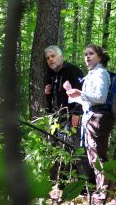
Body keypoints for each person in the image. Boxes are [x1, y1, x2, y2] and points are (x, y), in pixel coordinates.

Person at [66, 44, 113, 199]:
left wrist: (81, 93)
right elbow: (89, 100)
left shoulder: (100, 73)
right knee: (93, 156)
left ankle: (103, 192)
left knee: (98, 156)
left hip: (98, 118)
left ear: (99, 56)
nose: (87, 56)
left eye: (91, 53)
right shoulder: (92, 73)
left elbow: (100, 97)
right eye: (85, 54)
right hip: (91, 117)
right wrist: (75, 95)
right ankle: (100, 190)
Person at [43, 45, 87, 183]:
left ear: (61, 56)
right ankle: (63, 182)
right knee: (61, 151)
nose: (50, 60)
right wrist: (47, 94)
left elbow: (83, 93)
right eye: (48, 58)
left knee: (76, 150)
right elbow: (55, 96)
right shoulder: (52, 74)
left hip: (71, 117)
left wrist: (77, 112)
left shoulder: (72, 70)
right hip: (57, 118)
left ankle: (86, 183)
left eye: (53, 56)